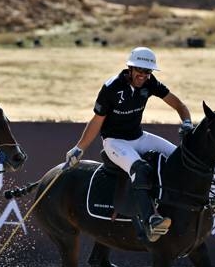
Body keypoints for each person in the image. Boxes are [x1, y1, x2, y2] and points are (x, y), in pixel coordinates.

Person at [65, 46, 193, 242]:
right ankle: (150, 219)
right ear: (130, 68)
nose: (143, 76)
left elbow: (180, 105)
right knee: (139, 169)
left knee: (179, 157)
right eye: (140, 71)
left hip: (138, 137)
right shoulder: (111, 88)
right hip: (115, 142)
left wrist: (186, 122)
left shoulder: (151, 83)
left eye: (148, 72)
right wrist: (79, 147)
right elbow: (97, 120)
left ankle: (203, 203)